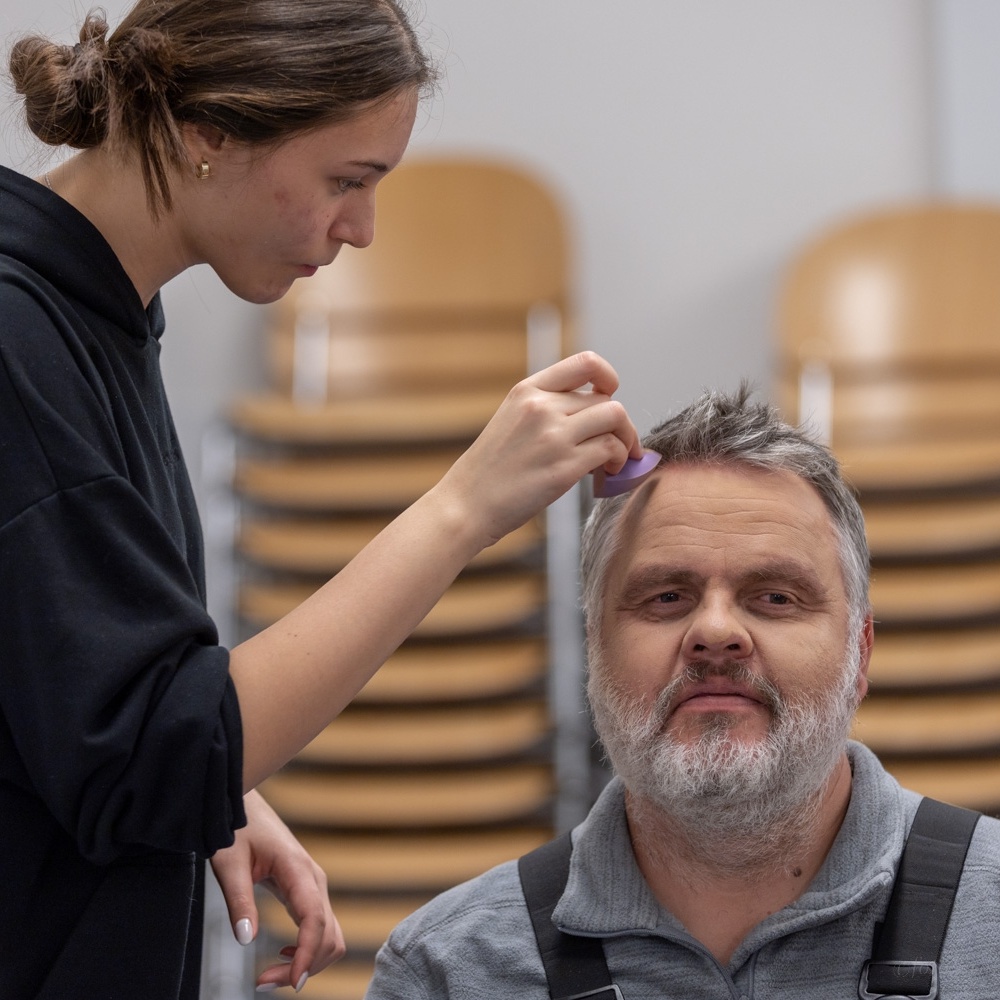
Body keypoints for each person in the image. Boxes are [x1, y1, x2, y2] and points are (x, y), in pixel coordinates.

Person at [0, 2, 643, 997]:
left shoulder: (95, 318)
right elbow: (151, 755)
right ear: (207, 133)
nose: (362, 229)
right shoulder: (21, 342)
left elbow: (68, 687)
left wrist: (219, 790)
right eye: (347, 181)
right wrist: (460, 510)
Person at [364, 385, 1000, 1000]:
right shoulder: (449, 970)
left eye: (775, 597)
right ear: (594, 648)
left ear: (860, 653)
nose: (716, 632)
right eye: (666, 597)